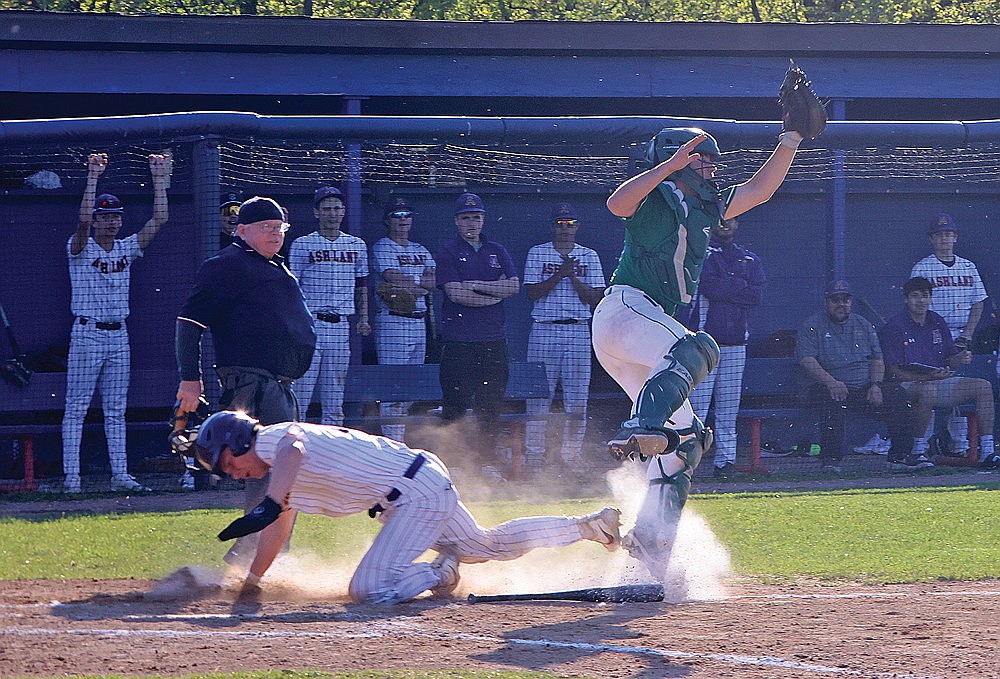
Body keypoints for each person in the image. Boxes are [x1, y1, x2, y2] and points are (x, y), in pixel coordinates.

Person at [591, 126, 808, 578]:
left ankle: (649, 545)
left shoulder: (707, 203)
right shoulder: (655, 195)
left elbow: (761, 190)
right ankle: (641, 425)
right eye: (702, 159)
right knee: (699, 347)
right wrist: (669, 167)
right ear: (677, 159)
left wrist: (791, 140)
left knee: (689, 440)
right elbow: (616, 204)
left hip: (642, 332)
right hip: (626, 310)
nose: (711, 168)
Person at [192, 410, 623, 603]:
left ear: (240, 441)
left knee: (367, 590)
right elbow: (278, 529)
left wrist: (267, 503)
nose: (232, 473)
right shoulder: (278, 472)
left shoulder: (273, 440)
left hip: (413, 492)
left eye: (229, 462)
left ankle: (440, 571)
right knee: (485, 546)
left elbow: (295, 449)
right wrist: (253, 580)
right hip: (418, 484)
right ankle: (589, 527)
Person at [175, 195, 317, 564]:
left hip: (278, 384)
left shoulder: (271, 265)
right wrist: (190, 380)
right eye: (266, 228)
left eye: (280, 227)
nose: (276, 234)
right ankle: (256, 552)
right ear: (241, 230)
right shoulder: (227, 264)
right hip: (254, 383)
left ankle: (261, 551)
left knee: (281, 467)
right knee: (270, 465)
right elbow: (189, 325)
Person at [61, 152, 170, 494]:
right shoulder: (80, 248)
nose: (111, 222)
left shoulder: (126, 248)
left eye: (115, 217)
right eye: (104, 216)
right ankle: (72, 479)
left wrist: (158, 178)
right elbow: (80, 222)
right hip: (86, 333)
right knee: (76, 408)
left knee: (115, 410)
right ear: (96, 220)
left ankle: (120, 474)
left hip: (118, 336)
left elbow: (160, 219)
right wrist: (93, 175)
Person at [435, 193, 519, 474]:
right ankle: (452, 466)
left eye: (476, 216)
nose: (472, 222)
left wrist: (479, 287)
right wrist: (494, 291)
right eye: (466, 217)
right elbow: (455, 293)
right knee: (455, 405)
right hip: (459, 341)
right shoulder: (448, 251)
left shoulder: (497, 249)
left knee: (490, 405)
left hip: (493, 340)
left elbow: (514, 287)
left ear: (483, 219)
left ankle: (487, 464)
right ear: (457, 222)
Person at [878, 277, 999, 471]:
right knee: (928, 390)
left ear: (931, 298)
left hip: (938, 381)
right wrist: (927, 378)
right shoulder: (894, 326)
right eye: (915, 296)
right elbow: (894, 372)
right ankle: (918, 451)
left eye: (924, 296)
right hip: (906, 386)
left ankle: (987, 452)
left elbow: (950, 359)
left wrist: (961, 359)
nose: (920, 301)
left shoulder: (937, 321)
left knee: (982, 386)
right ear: (906, 299)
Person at [796, 280, 914, 472]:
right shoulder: (812, 325)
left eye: (846, 300)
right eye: (836, 300)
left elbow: (877, 359)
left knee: (898, 395)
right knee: (831, 400)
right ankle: (831, 462)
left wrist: (876, 385)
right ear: (827, 302)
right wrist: (831, 382)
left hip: (861, 387)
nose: (841, 304)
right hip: (824, 386)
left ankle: (900, 457)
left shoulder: (863, 324)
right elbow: (806, 360)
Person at [523, 202, 606, 473]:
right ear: (552, 226)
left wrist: (571, 277)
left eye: (570, 223)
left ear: (577, 226)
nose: (565, 228)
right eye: (560, 223)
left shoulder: (589, 256)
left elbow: (596, 298)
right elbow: (532, 293)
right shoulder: (537, 253)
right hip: (544, 327)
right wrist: (561, 273)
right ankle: (534, 456)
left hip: (578, 329)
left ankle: (571, 456)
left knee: (577, 397)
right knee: (538, 397)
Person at [681, 216, 765, 479]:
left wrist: (729, 286)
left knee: (729, 408)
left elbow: (757, 295)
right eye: (721, 220)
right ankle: (685, 463)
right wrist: (739, 284)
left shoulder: (749, 258)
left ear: (738, 223)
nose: (725, 225)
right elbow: (711, 288)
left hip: (736, 343)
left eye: (731, 220)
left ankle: (724, 463)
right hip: (705, 342)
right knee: (698, 407)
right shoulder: (702, 254)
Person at [289, 186, 371, 425]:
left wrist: (364, 317)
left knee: (334, 394)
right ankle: (295, 446)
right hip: (310, 323)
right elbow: (293, 287)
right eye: (326, 209)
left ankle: (332, 451)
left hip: (340, 325)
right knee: (301, 391)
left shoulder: (356, 245)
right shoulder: (303, 244)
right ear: (317, 213)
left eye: (336, 208)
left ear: (344, 211)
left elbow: (362, 285)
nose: (332, 214)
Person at [910, 213, 989, 458]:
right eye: (939, 235)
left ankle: (961, 447)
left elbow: (978, 304)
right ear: (932, 239)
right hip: (932, 337)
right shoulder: (922, 268)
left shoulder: (968, 266)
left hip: (961, 335)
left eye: (948, 234)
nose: (945, 238)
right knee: (931, 390)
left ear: (955, 237)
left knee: (960, 392)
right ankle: (921, 446)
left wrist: (967, 334)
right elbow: (916, 306)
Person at [372, 197, 436, 442]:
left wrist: (414, 285)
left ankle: (398, 440)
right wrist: (420, 285)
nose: (402, 220)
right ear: (387, 220)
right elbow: (393, 277)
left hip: (418, 322)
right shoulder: (382, 246)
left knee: (410, 385)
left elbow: (432, 283)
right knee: (393, 386)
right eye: (397, 216)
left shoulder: (421, 249)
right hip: (393, 322)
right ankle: (391, 443)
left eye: (406, 215)